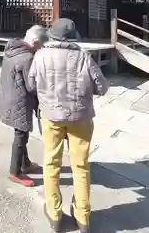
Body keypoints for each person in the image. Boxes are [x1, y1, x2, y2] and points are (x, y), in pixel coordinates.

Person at [28, 18, 109, 233]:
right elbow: (102, 87)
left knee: (51, 164)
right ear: (73, 36)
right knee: (81, 167)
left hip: (51, 116)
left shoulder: (40, 56)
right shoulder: (84, 57)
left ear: (51, 35)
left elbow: (31, 84)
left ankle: (54, 214)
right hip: (80, 118)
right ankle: (83, 217)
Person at [0, 25, 48, 187]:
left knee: (21, 133)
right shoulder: (27, 58)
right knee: (21, 136)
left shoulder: (12, 50)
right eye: (40, 45)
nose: (40, 49)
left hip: (8, 96)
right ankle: (15, 172)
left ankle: (25, 163)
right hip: (19, 102)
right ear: (35, 41)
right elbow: (31, 86)